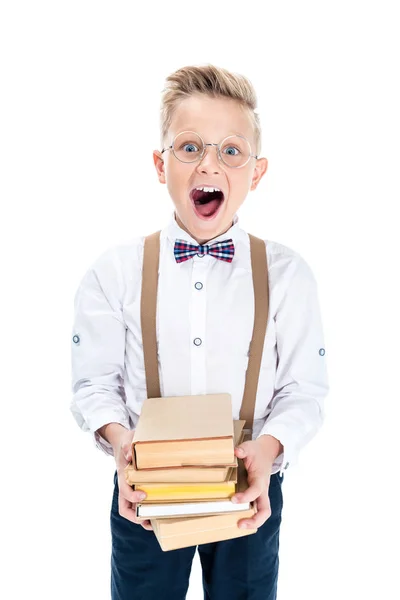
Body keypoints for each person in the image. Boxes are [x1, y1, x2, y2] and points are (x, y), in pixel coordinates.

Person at [70, 63, 329, 600]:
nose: (209, 163)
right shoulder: (114, 271)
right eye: (190, 148)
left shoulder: (287, 275)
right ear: (160, 163)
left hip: (248, 490)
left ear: (256, 172)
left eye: (230, 151)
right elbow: (93, 386)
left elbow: (304, 389)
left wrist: (270, 447)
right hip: (146, 490)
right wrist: (122, 445)